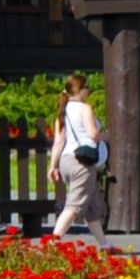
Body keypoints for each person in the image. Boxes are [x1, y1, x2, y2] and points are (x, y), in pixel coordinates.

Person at [48, 84, 107, 240]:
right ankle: (53, 241)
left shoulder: (62, 111)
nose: (89, 90)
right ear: (80, 90)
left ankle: (104, 244)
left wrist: (53, 166)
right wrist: (105, 135)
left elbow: (59, 142)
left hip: (66, 161)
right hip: (82, 163)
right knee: (74, 206)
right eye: (87, 87)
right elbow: (93, 134)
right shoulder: (85, 108)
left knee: (91, 206)